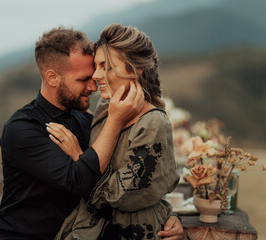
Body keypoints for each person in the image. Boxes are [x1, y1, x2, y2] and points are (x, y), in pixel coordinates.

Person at [0, 26, 182, 240]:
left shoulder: (88, 121)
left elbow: (136, 182)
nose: (94, 85)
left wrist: (167, 215)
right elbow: (81, 181)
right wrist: (115, 120)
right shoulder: (22, 129)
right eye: (83, 79)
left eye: (100, 70)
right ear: (53, 78)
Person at [49, 24, 182, 240]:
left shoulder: (154, 123)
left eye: (106, 66)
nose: (97, 75)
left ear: (137, 68)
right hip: (89, 228)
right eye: (96, 66)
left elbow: (126, 194)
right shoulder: (105, 107)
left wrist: (79, 158)